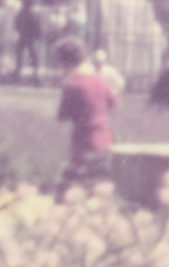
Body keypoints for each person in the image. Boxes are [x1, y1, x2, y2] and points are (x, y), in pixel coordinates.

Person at [51, 36, 120, 191]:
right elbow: (113, 102)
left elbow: (62, 116)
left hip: (83, 144)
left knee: (74, 188)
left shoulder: (73, 85)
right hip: (106, 140)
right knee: (100, 187)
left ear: (65, 62)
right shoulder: (99, 80)